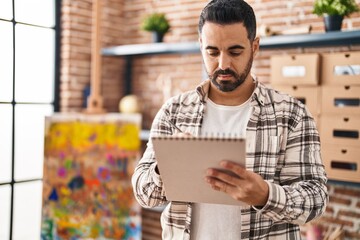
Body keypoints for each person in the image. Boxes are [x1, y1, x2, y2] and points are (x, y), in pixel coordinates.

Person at [131, 0, 328, 239]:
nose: (223, 64)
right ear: (201, 45)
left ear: (255, 46)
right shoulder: (174, 111)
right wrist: (165, 167)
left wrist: (265, 195)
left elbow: (316, 198)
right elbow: (144, 194)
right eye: (212, 52)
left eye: (235, 51)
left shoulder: (292, 115)